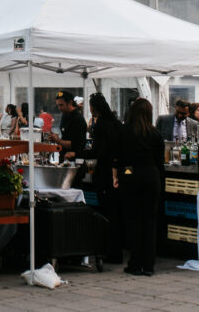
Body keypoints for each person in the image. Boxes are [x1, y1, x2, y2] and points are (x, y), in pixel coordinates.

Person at [67, 92, 123, 264]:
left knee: (105, 212)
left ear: (94, 107)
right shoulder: (116, 123)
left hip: (104, 172)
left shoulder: (100, 125)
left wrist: (76, 153)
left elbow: (97, 150)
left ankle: (109, 251)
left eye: (90, 106)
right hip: (117, 171)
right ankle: (116, 251)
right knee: (115, 212)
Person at [114, 97, 164, 276]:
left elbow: (121, 159)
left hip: (132, 175)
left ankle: (135, 263)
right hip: (151, 176)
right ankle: (149, 265)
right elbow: (159, 162)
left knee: (133, 221)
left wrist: (125, 175)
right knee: (150, 222)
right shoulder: (155, 133)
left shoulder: (125, 131)